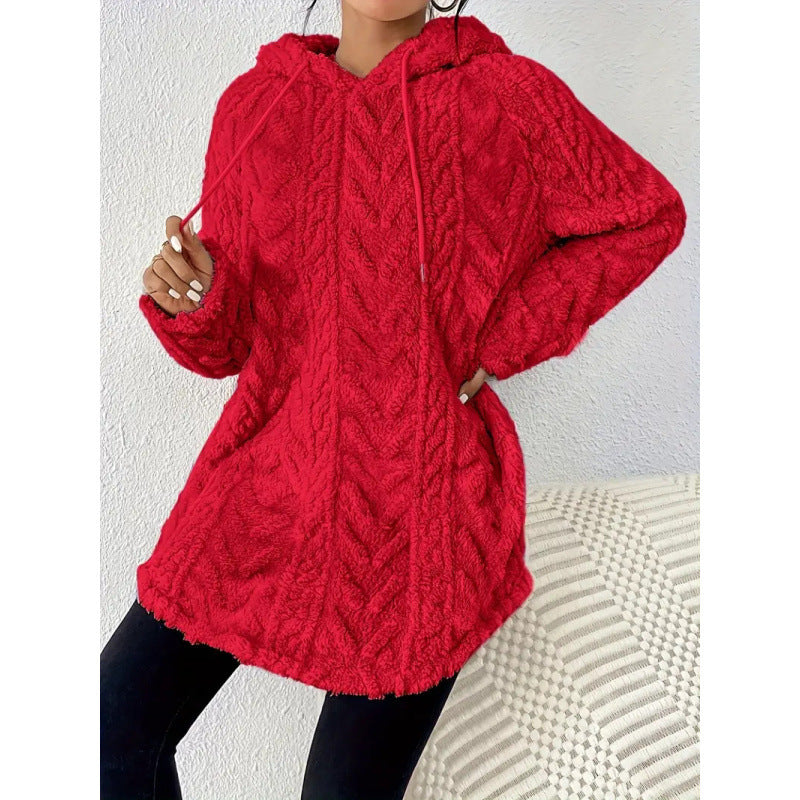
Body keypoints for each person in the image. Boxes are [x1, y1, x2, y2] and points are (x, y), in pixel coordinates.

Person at [101, 1, 687, 797]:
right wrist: (194, 300)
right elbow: (233, 348)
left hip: (421, 508)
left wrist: (500, 340)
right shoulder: (255, 105)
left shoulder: (510, 96)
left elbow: (644, 216)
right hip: (266, 486)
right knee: (106, 732)